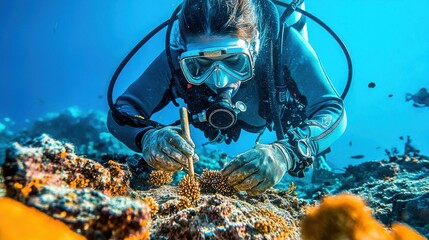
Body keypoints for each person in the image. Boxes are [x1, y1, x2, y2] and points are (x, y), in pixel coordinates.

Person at [107, 0, 347, 195]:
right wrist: (148, 137)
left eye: (234, 62)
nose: (220, 81)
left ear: (254, 47)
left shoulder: (285, 46)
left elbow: (332, 110)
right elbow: (123, 109)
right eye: (200, 66)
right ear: (184, 55)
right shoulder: (175, 57)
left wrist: (286, 153)